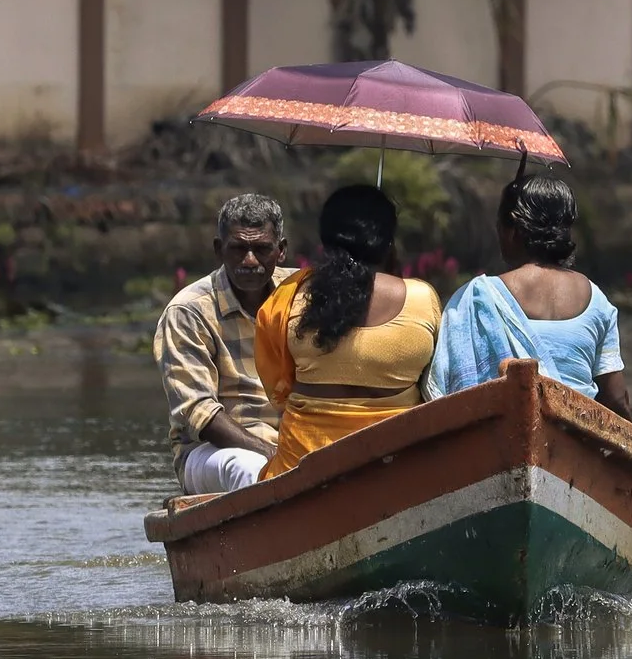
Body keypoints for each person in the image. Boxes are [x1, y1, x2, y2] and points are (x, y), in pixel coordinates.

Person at [253, 184, 441, 481]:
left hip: (300, 473)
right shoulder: (422, 298)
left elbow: (278, 392)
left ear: (325, 240)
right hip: (398, 472)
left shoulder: (287, 298)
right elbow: (435, 386)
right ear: (387, 242)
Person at [428, 169, 632, 420]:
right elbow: (615, 399)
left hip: (492, 437)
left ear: (513, 230)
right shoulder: (596, 298)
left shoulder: (476, 298)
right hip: (574, 442)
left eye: (500, 226)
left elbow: (445, 397)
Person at [155, 194, 298, 493]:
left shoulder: (301, 295)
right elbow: (199, 414)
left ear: (280, 251)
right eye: (238, 249)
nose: (249, 261)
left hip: (298, 444)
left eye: (261, 249)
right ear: (220, 250)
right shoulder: (189, 311)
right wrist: (274, 455)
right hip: (211, 451)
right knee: (247, 468)